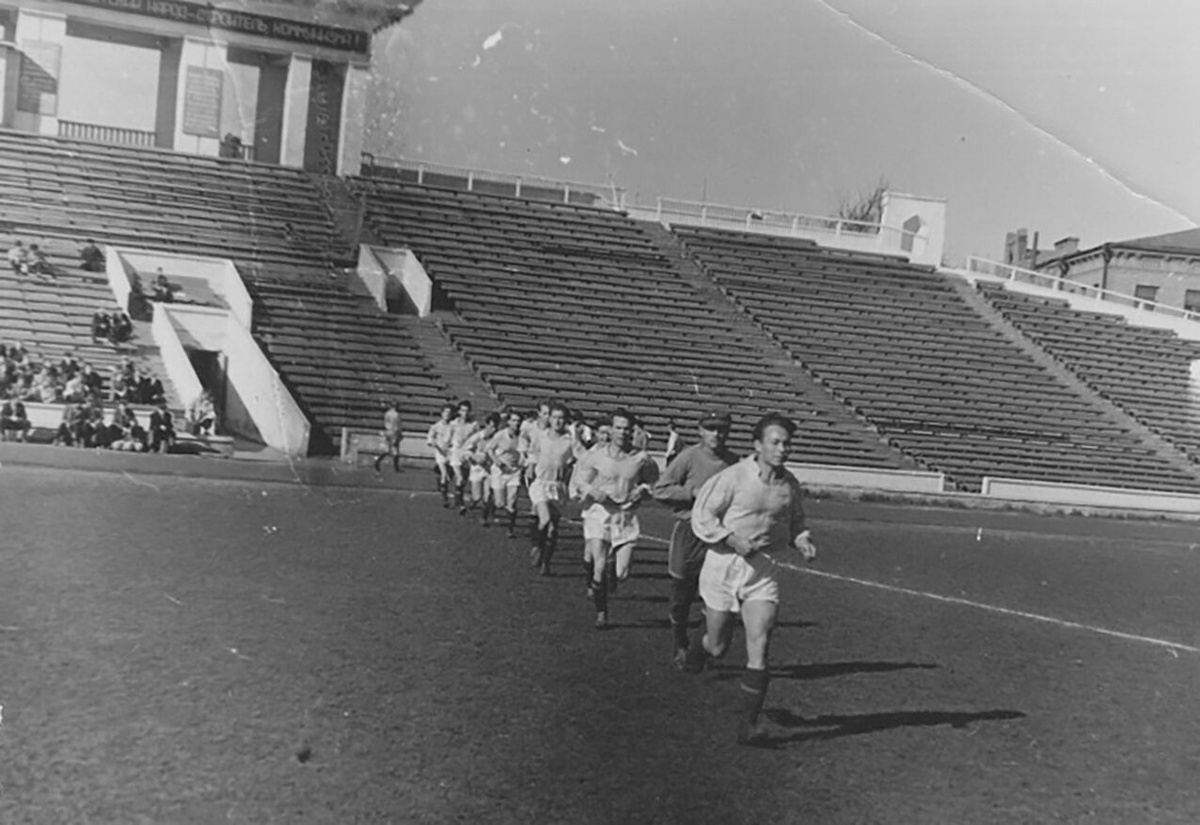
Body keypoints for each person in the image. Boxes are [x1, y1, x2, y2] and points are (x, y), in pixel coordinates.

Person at [688, 413, 818, 746]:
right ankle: (699, 648)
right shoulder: (733, 477)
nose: (782, 448)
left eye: (787, 443)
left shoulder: (789, 485)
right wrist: (731, 539)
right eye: (775, 442)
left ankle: (749, 724)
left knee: (760, 641)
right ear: (757, 445)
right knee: (718, 647)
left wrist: (802, 540)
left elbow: (796, 522)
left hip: (762, 570)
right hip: (723, 565)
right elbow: (703, 515)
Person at [652, 408, 739, 669]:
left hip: (719, 538)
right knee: (681, 595)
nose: (717, 434)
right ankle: (679, 642)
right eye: (711, 428)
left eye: (722, 429)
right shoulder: (688, 457)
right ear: (700, 431)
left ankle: (697, 650)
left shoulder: (735, 463)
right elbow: (661, 489)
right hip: (689, 532)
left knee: (714, 595)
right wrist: (693, 493)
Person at [571, 409, 661, 629]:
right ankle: (601, 613)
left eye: (627, 428)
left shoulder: (641, 459)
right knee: (598, 565)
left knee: (622, 573)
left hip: (625, 516)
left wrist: (643, 490)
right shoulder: (596, 455)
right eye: (618, 427)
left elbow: (654, 484)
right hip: (599, 513)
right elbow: (580, 482)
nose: (622, 432)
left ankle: (611, 574)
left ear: (633, 431)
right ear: (611, 429)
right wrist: (593, 491)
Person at [525, 400, 576, 577]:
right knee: (544, 519)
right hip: (540, 483)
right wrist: (531, 465)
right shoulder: (541, 436)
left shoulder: (570, 442)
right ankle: (537, 546)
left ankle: (546, 562)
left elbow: (577, 462)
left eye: (561, 418)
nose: (557, 421)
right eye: (554, 417)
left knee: (553, 529)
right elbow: (533, 452)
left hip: (558, 487)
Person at [486, 408, 525, 538]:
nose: (516, 423)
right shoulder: (500, 435)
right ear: (508, 422)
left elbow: (525, 452)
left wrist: (523, 463)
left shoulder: (522, 437)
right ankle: (491, 505)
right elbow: (490, 450)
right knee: (499, 503)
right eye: (513, 420)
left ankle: (510, 529)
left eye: (518, 421)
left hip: (514, 471)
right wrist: (497, 462)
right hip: (499, 470)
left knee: (512, 501)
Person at [462, 413, 499, 522]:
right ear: (486, 425)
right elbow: (465, 450)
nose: (493, 430)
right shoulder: (477, 437)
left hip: (490, 469)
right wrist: (473, 457)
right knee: (477, 496)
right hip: (477, 468)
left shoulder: (498, 438)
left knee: (488, 495)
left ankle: (484, 517)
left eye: (495, 427)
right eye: (491, 427)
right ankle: (473, 501)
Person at [448, 399, 478, 514]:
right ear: (459, 411)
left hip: (467, 453)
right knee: (459, 477)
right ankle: (461, 505)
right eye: (462, 410)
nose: (464, 413)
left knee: (464, 479)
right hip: (455, 452)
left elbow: (477, 438)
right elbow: (448, 438)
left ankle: (457, 495)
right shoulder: (453, 424)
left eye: (467, 411)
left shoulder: (473, 424)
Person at [426, 403, 456, 506]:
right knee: (445, 474)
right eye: (445, 412)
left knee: (450, 475)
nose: (447, 414)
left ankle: (441, 482)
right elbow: (430, 438)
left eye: (449, 413)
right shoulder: (436, 426)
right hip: (440, 452)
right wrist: (433, 443)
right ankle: (445, 499)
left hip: (451, 452)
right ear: (442, 413)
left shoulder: (453, 426)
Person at [375, 400, 403, 473]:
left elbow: (386, 423)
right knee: (395, 450)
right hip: (394, 432)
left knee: (387, 449)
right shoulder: (397, 414)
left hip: (388, 432)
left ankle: (378, 461)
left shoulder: (387, 413)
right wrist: (399, 434)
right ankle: (396, 467)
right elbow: (398, 425)